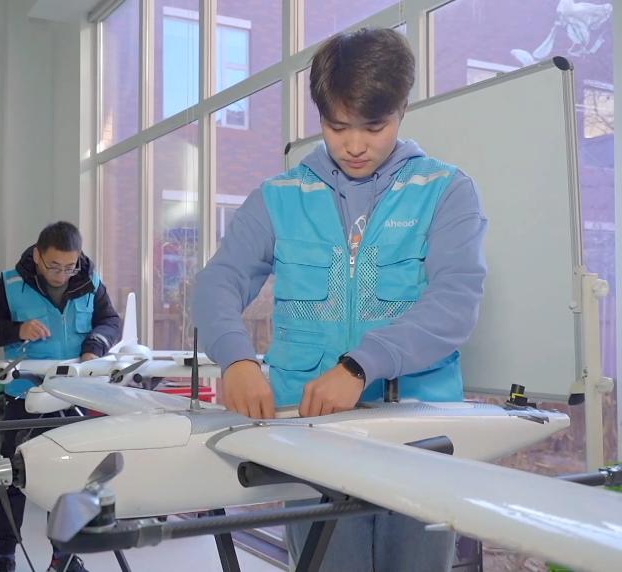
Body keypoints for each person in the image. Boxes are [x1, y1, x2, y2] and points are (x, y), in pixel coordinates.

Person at [192, 28, 488, 571]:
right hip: (310, 438)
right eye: (337, 126)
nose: (354, 145)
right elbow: (218, 282)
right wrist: (235, 359)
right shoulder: (279, 197)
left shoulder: (447, 191)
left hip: (418, 438)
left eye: (374, 127)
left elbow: (454, 304)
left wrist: (360, 365)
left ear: (402, 110)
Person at [0, 221, 121, 572]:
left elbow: (111, 321)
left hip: (72, 397)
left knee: (69, 480)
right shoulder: (12, 284)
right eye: (54, 266)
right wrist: (17, 330)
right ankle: (5, 556)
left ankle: (63, 558)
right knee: (13, 478)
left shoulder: (89, 282)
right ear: (38, 256)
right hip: (25, 398)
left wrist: (94, 346)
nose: (61, 275)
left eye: (69, 267)